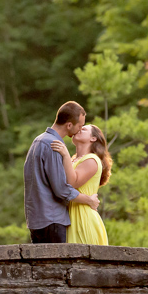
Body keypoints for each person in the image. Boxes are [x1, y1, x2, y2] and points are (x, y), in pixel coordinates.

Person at [23, 101, 100, 243]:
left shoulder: (38, 141)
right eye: (80, 126)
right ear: (69, 125)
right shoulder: (53, 145)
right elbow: (61, 189)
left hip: (35, 219)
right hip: (52, 219)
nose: (79, 130)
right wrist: (88, 200)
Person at [50, 124, 111, 245]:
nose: (79, 130)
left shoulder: (92, 160)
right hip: (69, 215)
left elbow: (72, 183)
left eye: (83, 129)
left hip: (83, 217)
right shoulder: (73, 160)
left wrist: (65, 155)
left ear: (93, 138)